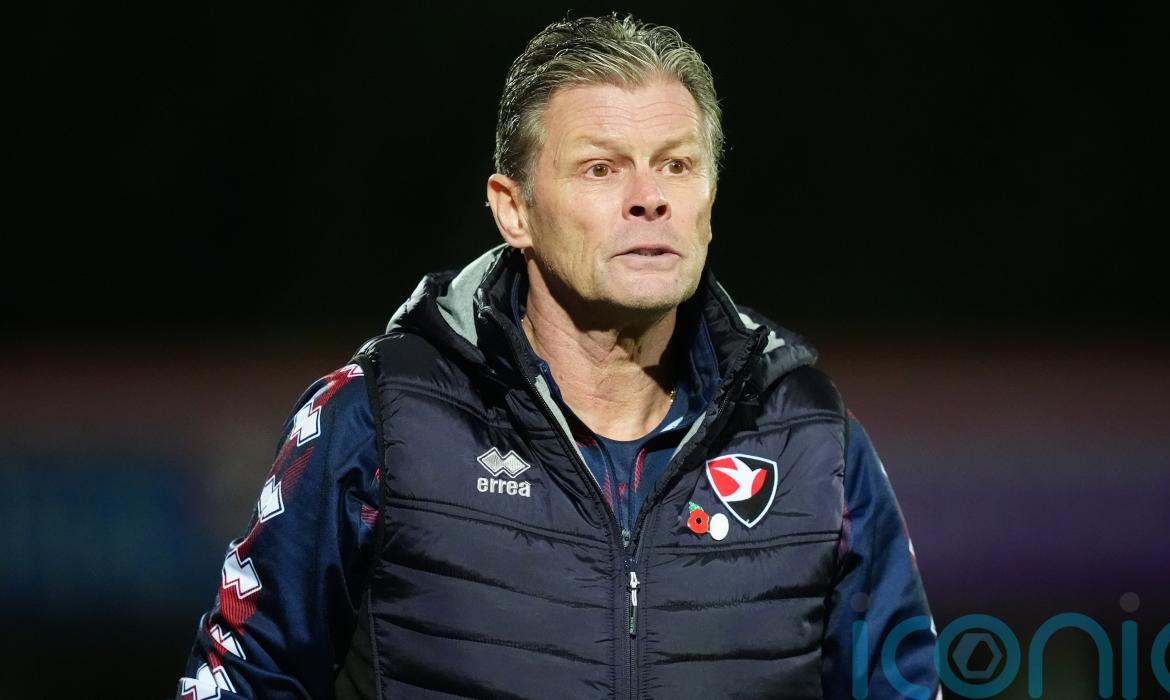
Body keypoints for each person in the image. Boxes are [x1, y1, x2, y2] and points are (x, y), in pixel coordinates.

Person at [178, 14, 939, 700]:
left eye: (676, 165)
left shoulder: (813, 438)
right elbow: (243, 681)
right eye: (602, 168)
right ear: (514, 210)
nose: (649, 197)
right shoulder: (377, 420)